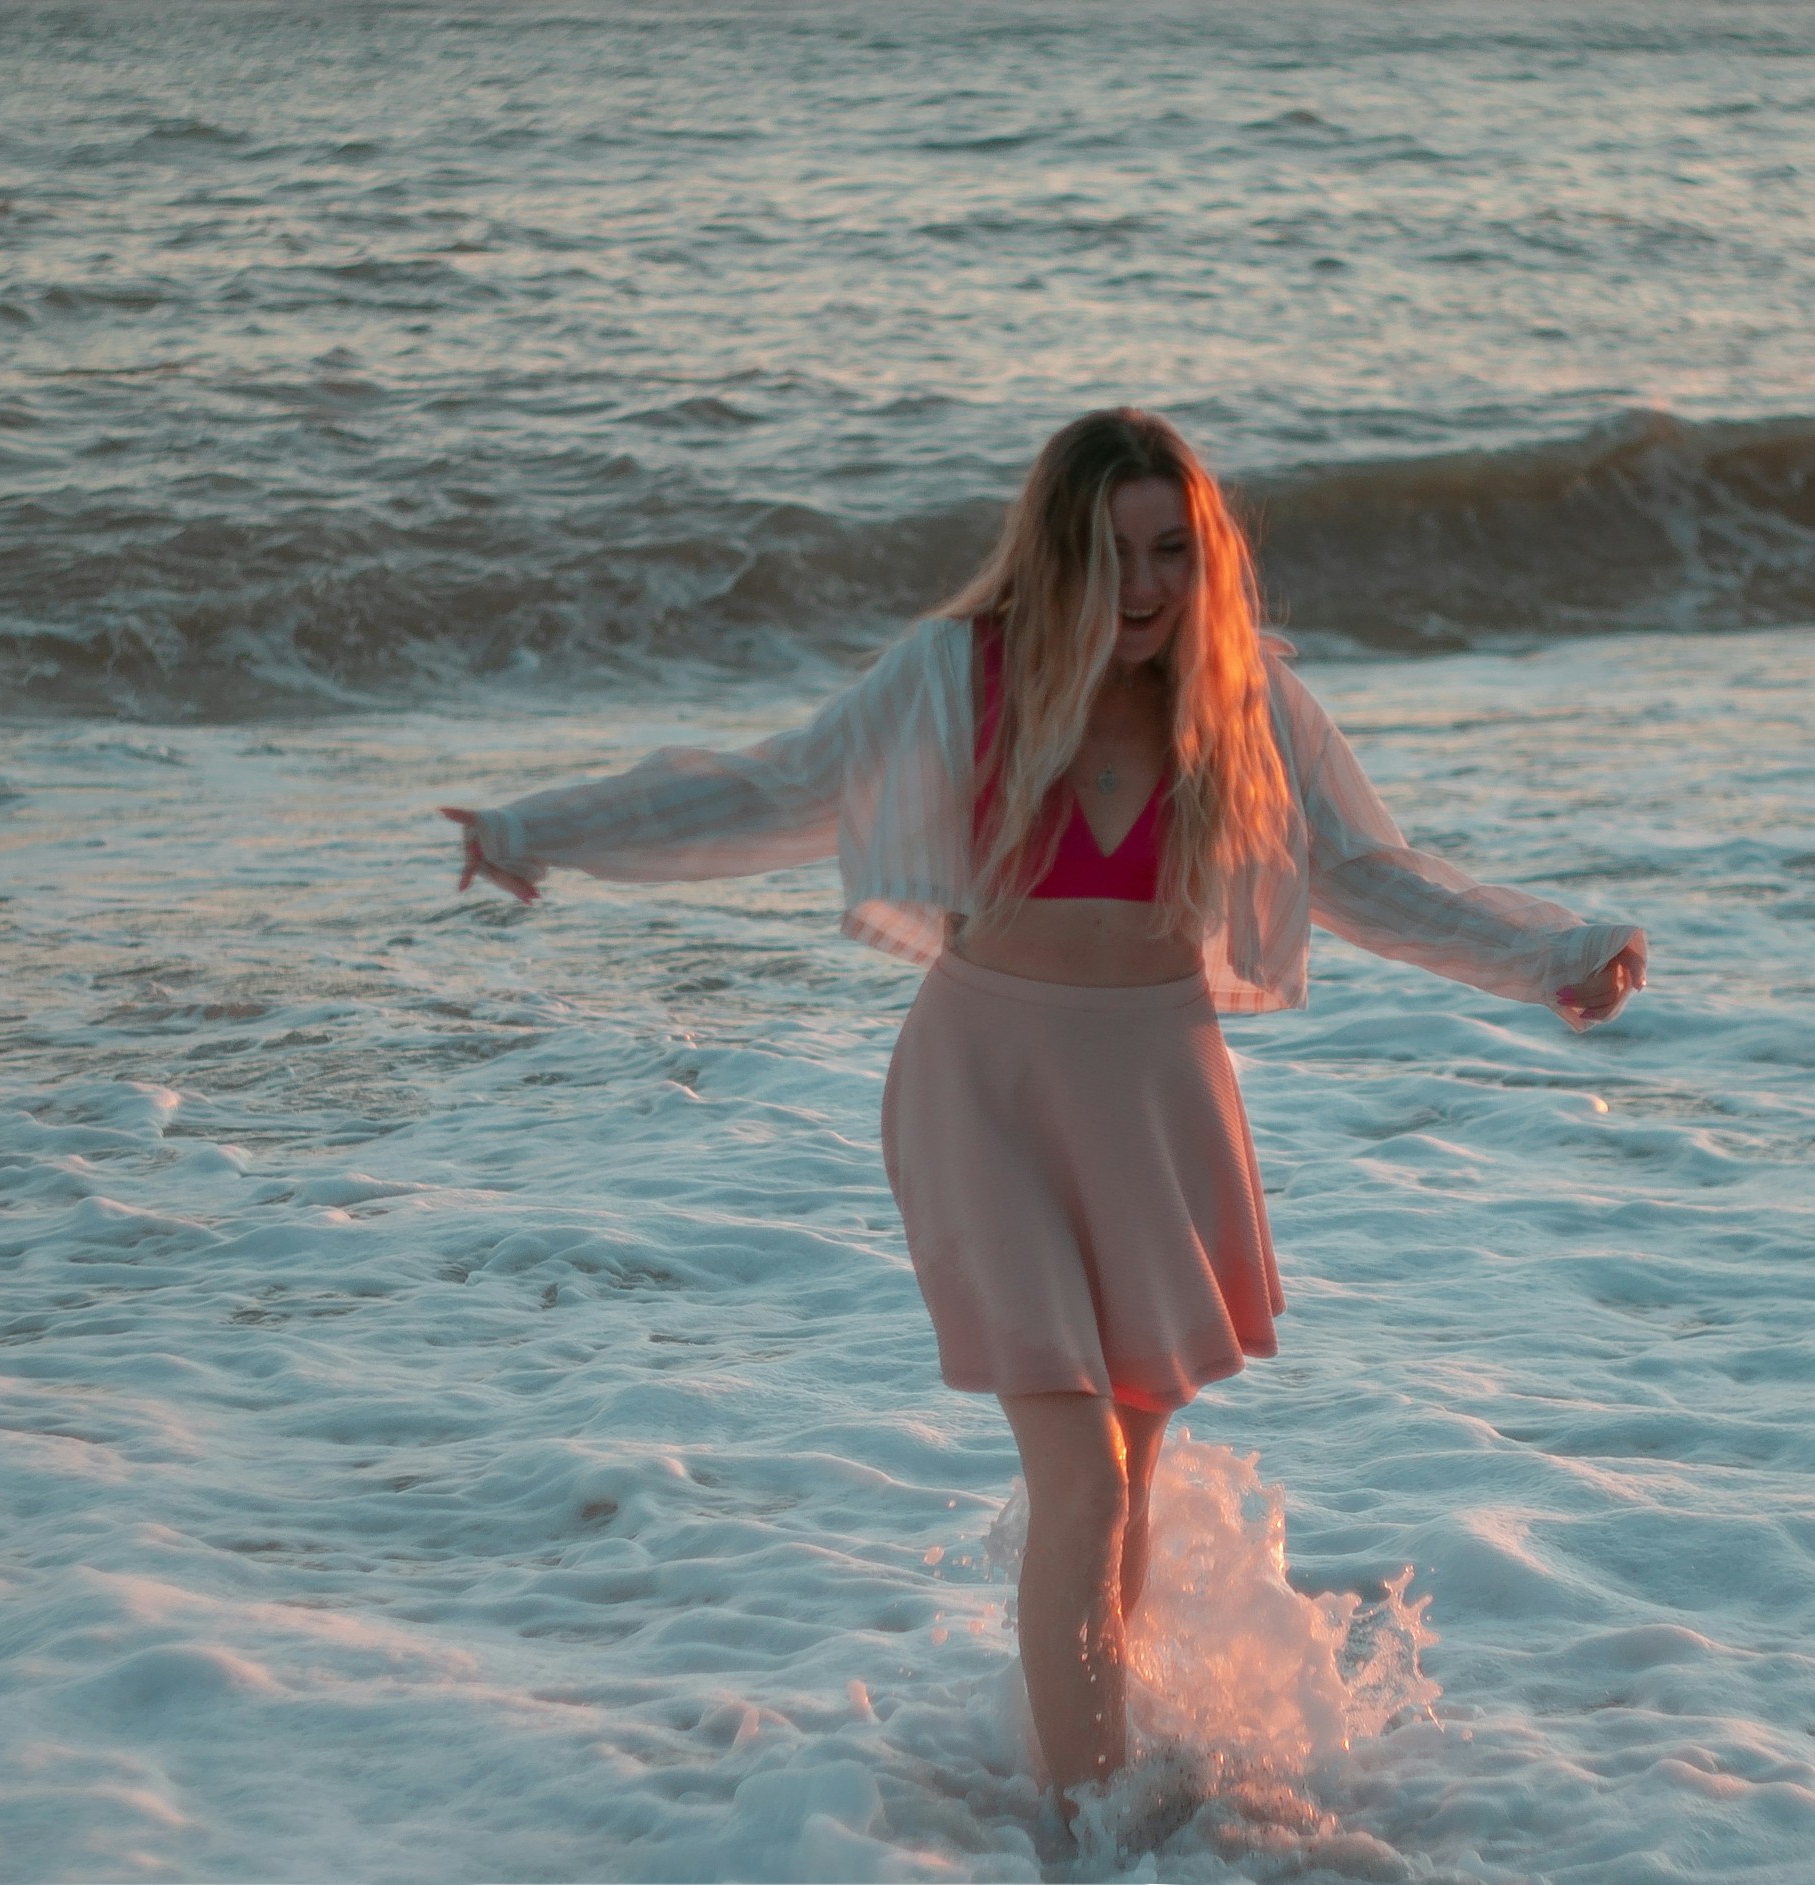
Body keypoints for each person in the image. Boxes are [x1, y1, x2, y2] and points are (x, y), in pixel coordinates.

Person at [439, 408, 1645, 1825]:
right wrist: (537, 830)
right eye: (1109, 552)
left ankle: (1097, 1758)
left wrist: (1551, 951)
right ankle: (1093, 1831)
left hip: (1153, 1085)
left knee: (1126, 1471)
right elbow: (769, 787)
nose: (1142, 587)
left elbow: (1367, 873)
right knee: (1077, 1471)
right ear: (1049, 552)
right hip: (986, 1087)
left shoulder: (1239, 699)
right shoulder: (957, 677)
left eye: (1170, 551)